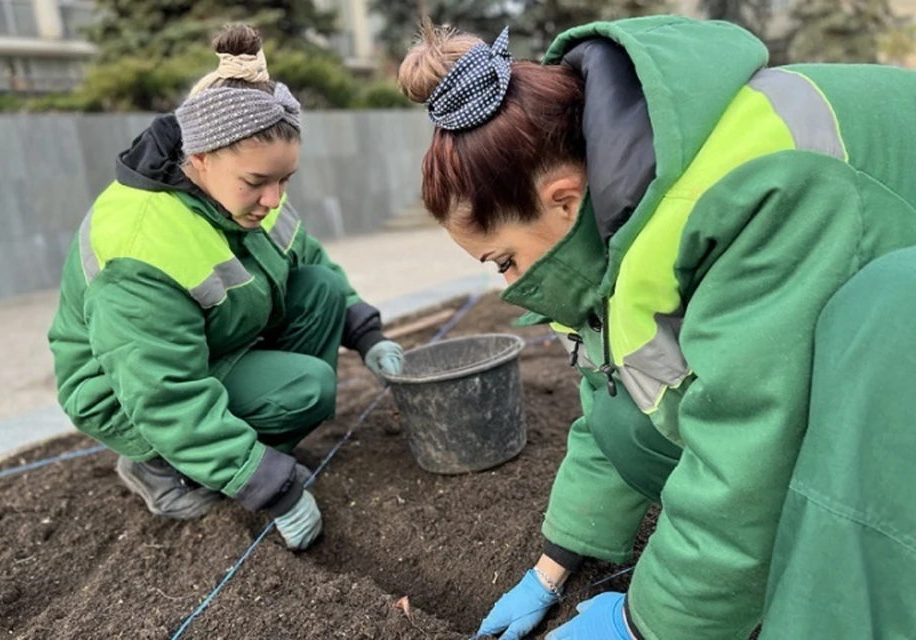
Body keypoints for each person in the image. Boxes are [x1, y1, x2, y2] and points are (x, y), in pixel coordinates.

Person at [397, 15, 916, 640]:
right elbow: (612, 390)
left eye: (504, 261)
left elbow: (751, 445)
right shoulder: (622, 199)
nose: (509, 286)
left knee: (874, 353)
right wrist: (552, 567)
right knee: (630, 412)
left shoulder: (753, 192)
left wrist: (646, 625)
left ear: (563, 200)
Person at [48, 24, 404, 551]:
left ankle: (241, 448)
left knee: (322, 289)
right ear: (200, 160)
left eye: (285, 180)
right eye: (257, 183)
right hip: (126, 391)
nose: (273, 198)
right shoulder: (141, 246)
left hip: (208, 346)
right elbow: (164, 392)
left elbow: (306, 259)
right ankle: (165, 468)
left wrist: (368, 334)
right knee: (308, 389)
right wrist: (272, 489)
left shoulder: (247, 189)